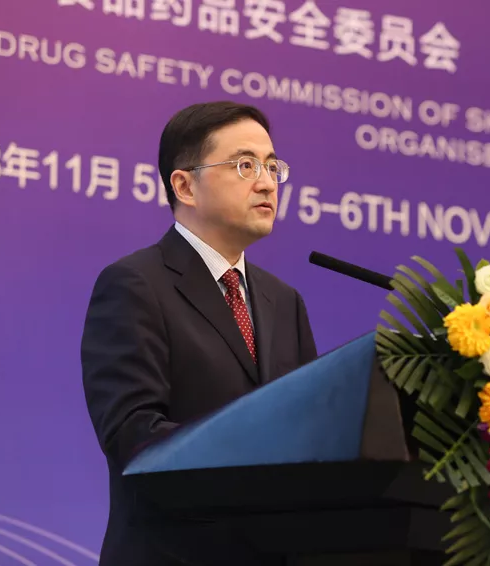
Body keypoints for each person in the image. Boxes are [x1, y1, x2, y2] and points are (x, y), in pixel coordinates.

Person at [80, 101, 318, 565]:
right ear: (185, 186)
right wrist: (261, 459)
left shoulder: (284, 302)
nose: (267, 183)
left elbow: (313, 431)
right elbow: (134, 437)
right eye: (245, 165)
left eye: (272, 167)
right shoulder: (136, 284)